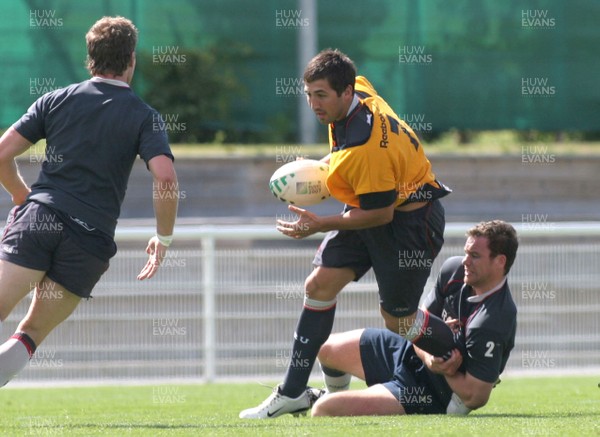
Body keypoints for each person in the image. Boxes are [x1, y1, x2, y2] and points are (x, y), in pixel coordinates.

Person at [240, 48, 454, 419]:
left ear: (343, 92)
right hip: (374, 204)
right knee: (318, 285)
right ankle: (295, 392)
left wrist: (320, 223)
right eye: (308, 94)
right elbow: (354, 176)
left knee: (398, 320)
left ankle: (459, 355)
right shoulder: (359, 91)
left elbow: (380, 214)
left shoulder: (365, 146)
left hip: (410, 225)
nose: (313, 104)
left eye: (321, 95)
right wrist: (319, 168)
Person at [0, 16, 178, 387]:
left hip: (40, 219)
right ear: (131, 60)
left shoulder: (56, 99)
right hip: (89, 241)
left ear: (90, 58)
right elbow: (164, 177)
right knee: (30, 333)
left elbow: (2, 154)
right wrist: (163, 239)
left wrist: (21, 196)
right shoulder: (145, 116)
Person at [310, 220, 518, 417]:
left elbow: (475, 396)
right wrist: (429, 354)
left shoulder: (492, 320)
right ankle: (333, 392)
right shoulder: (453, 271)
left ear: (500, 261)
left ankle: (333, 399)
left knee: (323, 409)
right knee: (323, 347)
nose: (465, 261)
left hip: (429, 391)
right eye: (466, 252)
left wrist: (442, 367)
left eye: (475, 255)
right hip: (409, 353)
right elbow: (414, 324)